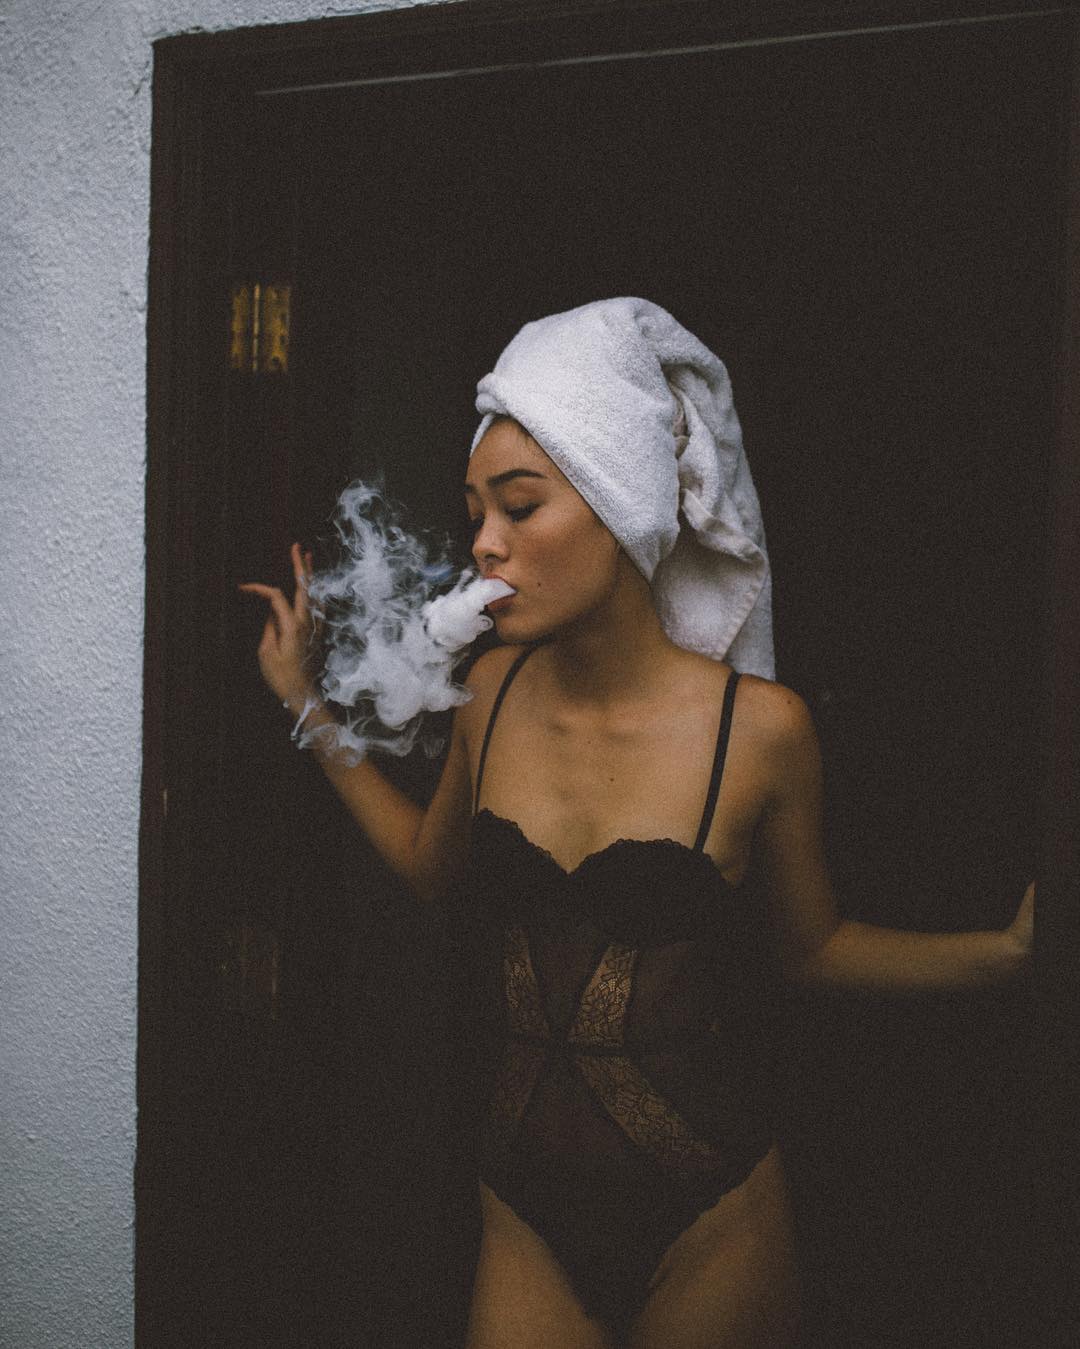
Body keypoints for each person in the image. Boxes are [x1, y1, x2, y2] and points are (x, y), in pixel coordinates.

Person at [241, 299, 1033, 1349]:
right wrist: (307, 707)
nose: (484, 543)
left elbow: (814, 946)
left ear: (618, 506)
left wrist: (1006, 953)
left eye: (521, 506)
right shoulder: (489, 695)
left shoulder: (760, 731)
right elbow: (433, 870)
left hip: (711, 1227)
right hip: (523, 1221)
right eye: (476, 510)